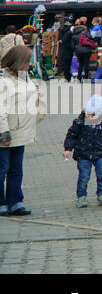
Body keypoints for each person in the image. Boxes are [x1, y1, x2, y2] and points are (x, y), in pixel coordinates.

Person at [0, 44, 44, 216]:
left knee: (16, 169)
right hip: (8, 131)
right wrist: (3, 131)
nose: (30, 64)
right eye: (27, 60)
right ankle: (2, 202)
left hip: (22, 131)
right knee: (2, 169)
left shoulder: (25, 78)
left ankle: (15, 201)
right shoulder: (4, 81)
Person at [63, 95, 102, 208]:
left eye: (94, 114)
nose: (90, 116)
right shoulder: (79, 122)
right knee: (84, 176)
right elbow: (71, 135)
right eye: (88, 113)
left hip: (100, 152)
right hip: (83, 154)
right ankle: (81, 197)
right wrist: (68, 148)